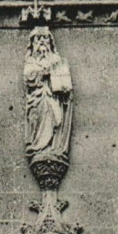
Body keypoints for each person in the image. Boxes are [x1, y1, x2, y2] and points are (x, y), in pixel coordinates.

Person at [24, 27, 73, 173]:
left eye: (45, 39)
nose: (42, 42)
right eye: (38, 40)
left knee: (57, 119)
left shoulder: (57, 60)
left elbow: (64, 82)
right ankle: (39, 147)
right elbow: (28, 77)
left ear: (50, 43)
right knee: (38, 119)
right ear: (32, 44)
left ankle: (54, 147)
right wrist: (43, 73)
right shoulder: (31, 61)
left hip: (53, 97)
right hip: (38, 99)